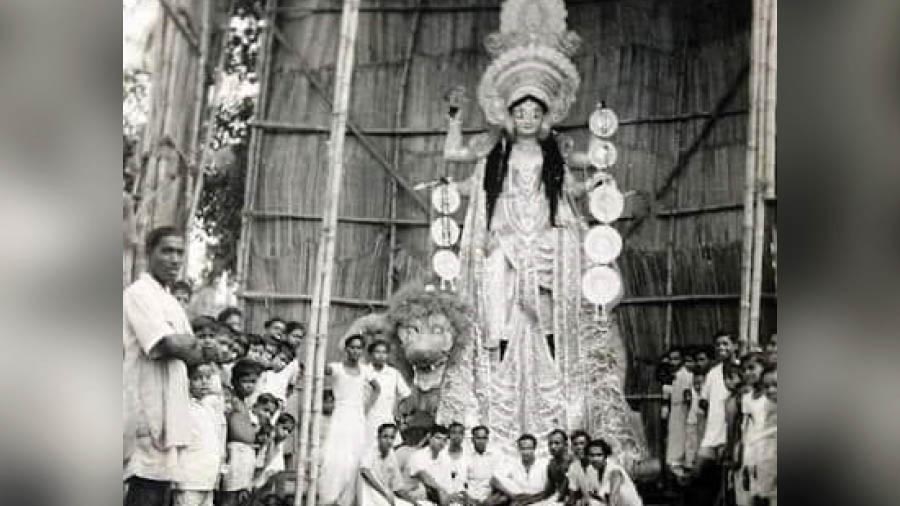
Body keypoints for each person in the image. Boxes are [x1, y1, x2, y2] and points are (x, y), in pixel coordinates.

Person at [439, 5, 643, 462]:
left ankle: (560, 408)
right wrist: (454, 113)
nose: (529, 117)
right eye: (521, 111)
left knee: (550, 315)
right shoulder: (494, 150)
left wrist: (591, 184)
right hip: (505, 239)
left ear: (545, 115)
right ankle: (494, 405)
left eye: (536, 111)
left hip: (549, 240)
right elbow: (453, 153)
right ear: (509, 113)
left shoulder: (556, 151)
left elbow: (567, 188)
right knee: (500, 314)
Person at [124, 226, 208, 506]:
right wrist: (189, 345)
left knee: (160, 491)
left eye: (180, 252)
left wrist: (190, 346)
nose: (174, 259)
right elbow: (168, 345)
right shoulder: (138, 293)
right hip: (147, 407)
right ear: (149, 253)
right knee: (144, 487)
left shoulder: (170, 301)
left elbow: (195, 354)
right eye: (167, 251)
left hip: (171, 410)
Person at [319, 334, 382, 506]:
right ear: (346, 349)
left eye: (359, 348)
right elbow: (319, 371)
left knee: (354, 457)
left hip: (357, 417)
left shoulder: (365, 370)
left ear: (362, 351)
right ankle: (330, 497)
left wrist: (366, 408)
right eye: (352, 347)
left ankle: (348, 500)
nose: (355, 351)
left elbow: (377, 388)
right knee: (337, 456)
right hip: (340, 415)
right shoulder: (336, 368)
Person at [694, 332, 739, 506]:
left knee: (727, 482)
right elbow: (704, 401)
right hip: (712, 433)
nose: (722, 348)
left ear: (734, 346)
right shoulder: (713, 373)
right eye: (718, 344)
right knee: (699, 474)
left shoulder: (740, 369)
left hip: (730, 434)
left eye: (726, 344)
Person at [173, 363, 221, 506]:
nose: (204, 382)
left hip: (207, 478)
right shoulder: (183, 407)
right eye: (197, 378)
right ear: (187, 381)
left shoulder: (209, 408)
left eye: (207, 377)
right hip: (188, 479)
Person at [220, 358, 266, 506]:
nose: (249, 386)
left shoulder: (246, 404)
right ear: (235, 381)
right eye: (245, 381)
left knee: (243, 494)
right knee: (230, 495)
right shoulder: (232, 401)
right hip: (234, 452)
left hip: (246, 453)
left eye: (253, 382)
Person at [359, 424, 419, 506]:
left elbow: (397, 487)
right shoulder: (371, 451)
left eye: (392, 437)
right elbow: (364, 471)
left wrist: (415, 503)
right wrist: (384, 492)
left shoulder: (391, 454)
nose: (389, 441)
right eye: (385, 437)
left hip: (385, 497)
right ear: (378, 438)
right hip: (370, 495)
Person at [365, 340, 412, 447]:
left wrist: (398, 411)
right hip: (368, 418)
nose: (381, 356)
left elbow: (406, 394)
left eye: (384, 352)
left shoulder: (393, 373)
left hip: (386, 418)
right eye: (377, 352)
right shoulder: (365, 371)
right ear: (371, 354)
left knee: (388, 449)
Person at [491, 434, 554, 506]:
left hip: (540, 501)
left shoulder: (544, 464)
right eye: (523, 449)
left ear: (534, 448)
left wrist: (529, 500)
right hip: (518, 500)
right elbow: (494, 480)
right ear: (519, 449)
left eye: (529, 448)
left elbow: (550, 490)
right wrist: (512, 495)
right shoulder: (513, 464)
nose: (526, 452)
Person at [407, 425, 457, 505]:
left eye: (444, 440)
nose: (441, 442)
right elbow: (425, 478)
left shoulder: (446, 458)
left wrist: (450, 495)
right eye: (438, 438)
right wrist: (441, 490)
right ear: (429, 437)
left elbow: (448, 483)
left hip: (441, 498)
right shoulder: (418, 455)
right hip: (419, 497)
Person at [583, 439, 642, 506]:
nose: (595, 459)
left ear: (605, 456)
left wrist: (611, 501)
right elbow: (594, 495)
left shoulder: (614, 469)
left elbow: (613, 494)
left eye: (599, 455)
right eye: (591, 455)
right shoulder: (590, 470)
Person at [666, 346, 693, 481]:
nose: (673, 362)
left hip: (683, 413)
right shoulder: (674, 376)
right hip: (676, 412)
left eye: (676, 359)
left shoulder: (686, 375)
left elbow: (688, 397)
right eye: (671, 359)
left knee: (681, 444)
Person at [465, 425, 501, 505]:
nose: (481, 441)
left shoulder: (495, 457)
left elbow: (499, 481)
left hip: (489, 500)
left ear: (487, 440)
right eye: (478, 438)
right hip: (469, 499)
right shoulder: (465, 457)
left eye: (484, 438)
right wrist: (468, 498)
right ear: (472, 440)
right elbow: (461, 482)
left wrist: (491, 499)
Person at [565, 431, 597, 506]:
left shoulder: (599, 463)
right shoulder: (574, 467)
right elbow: (572, 497)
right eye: (575, 444)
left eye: (582, 443)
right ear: (572, 448)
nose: (579, 447)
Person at [543, 429, 572, 504]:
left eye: (557, 443)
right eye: (550, 444)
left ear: (566, 445)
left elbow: (562, 492)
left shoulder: (572, 462)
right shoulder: (551, 464)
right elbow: (548, 491)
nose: (552, 447)